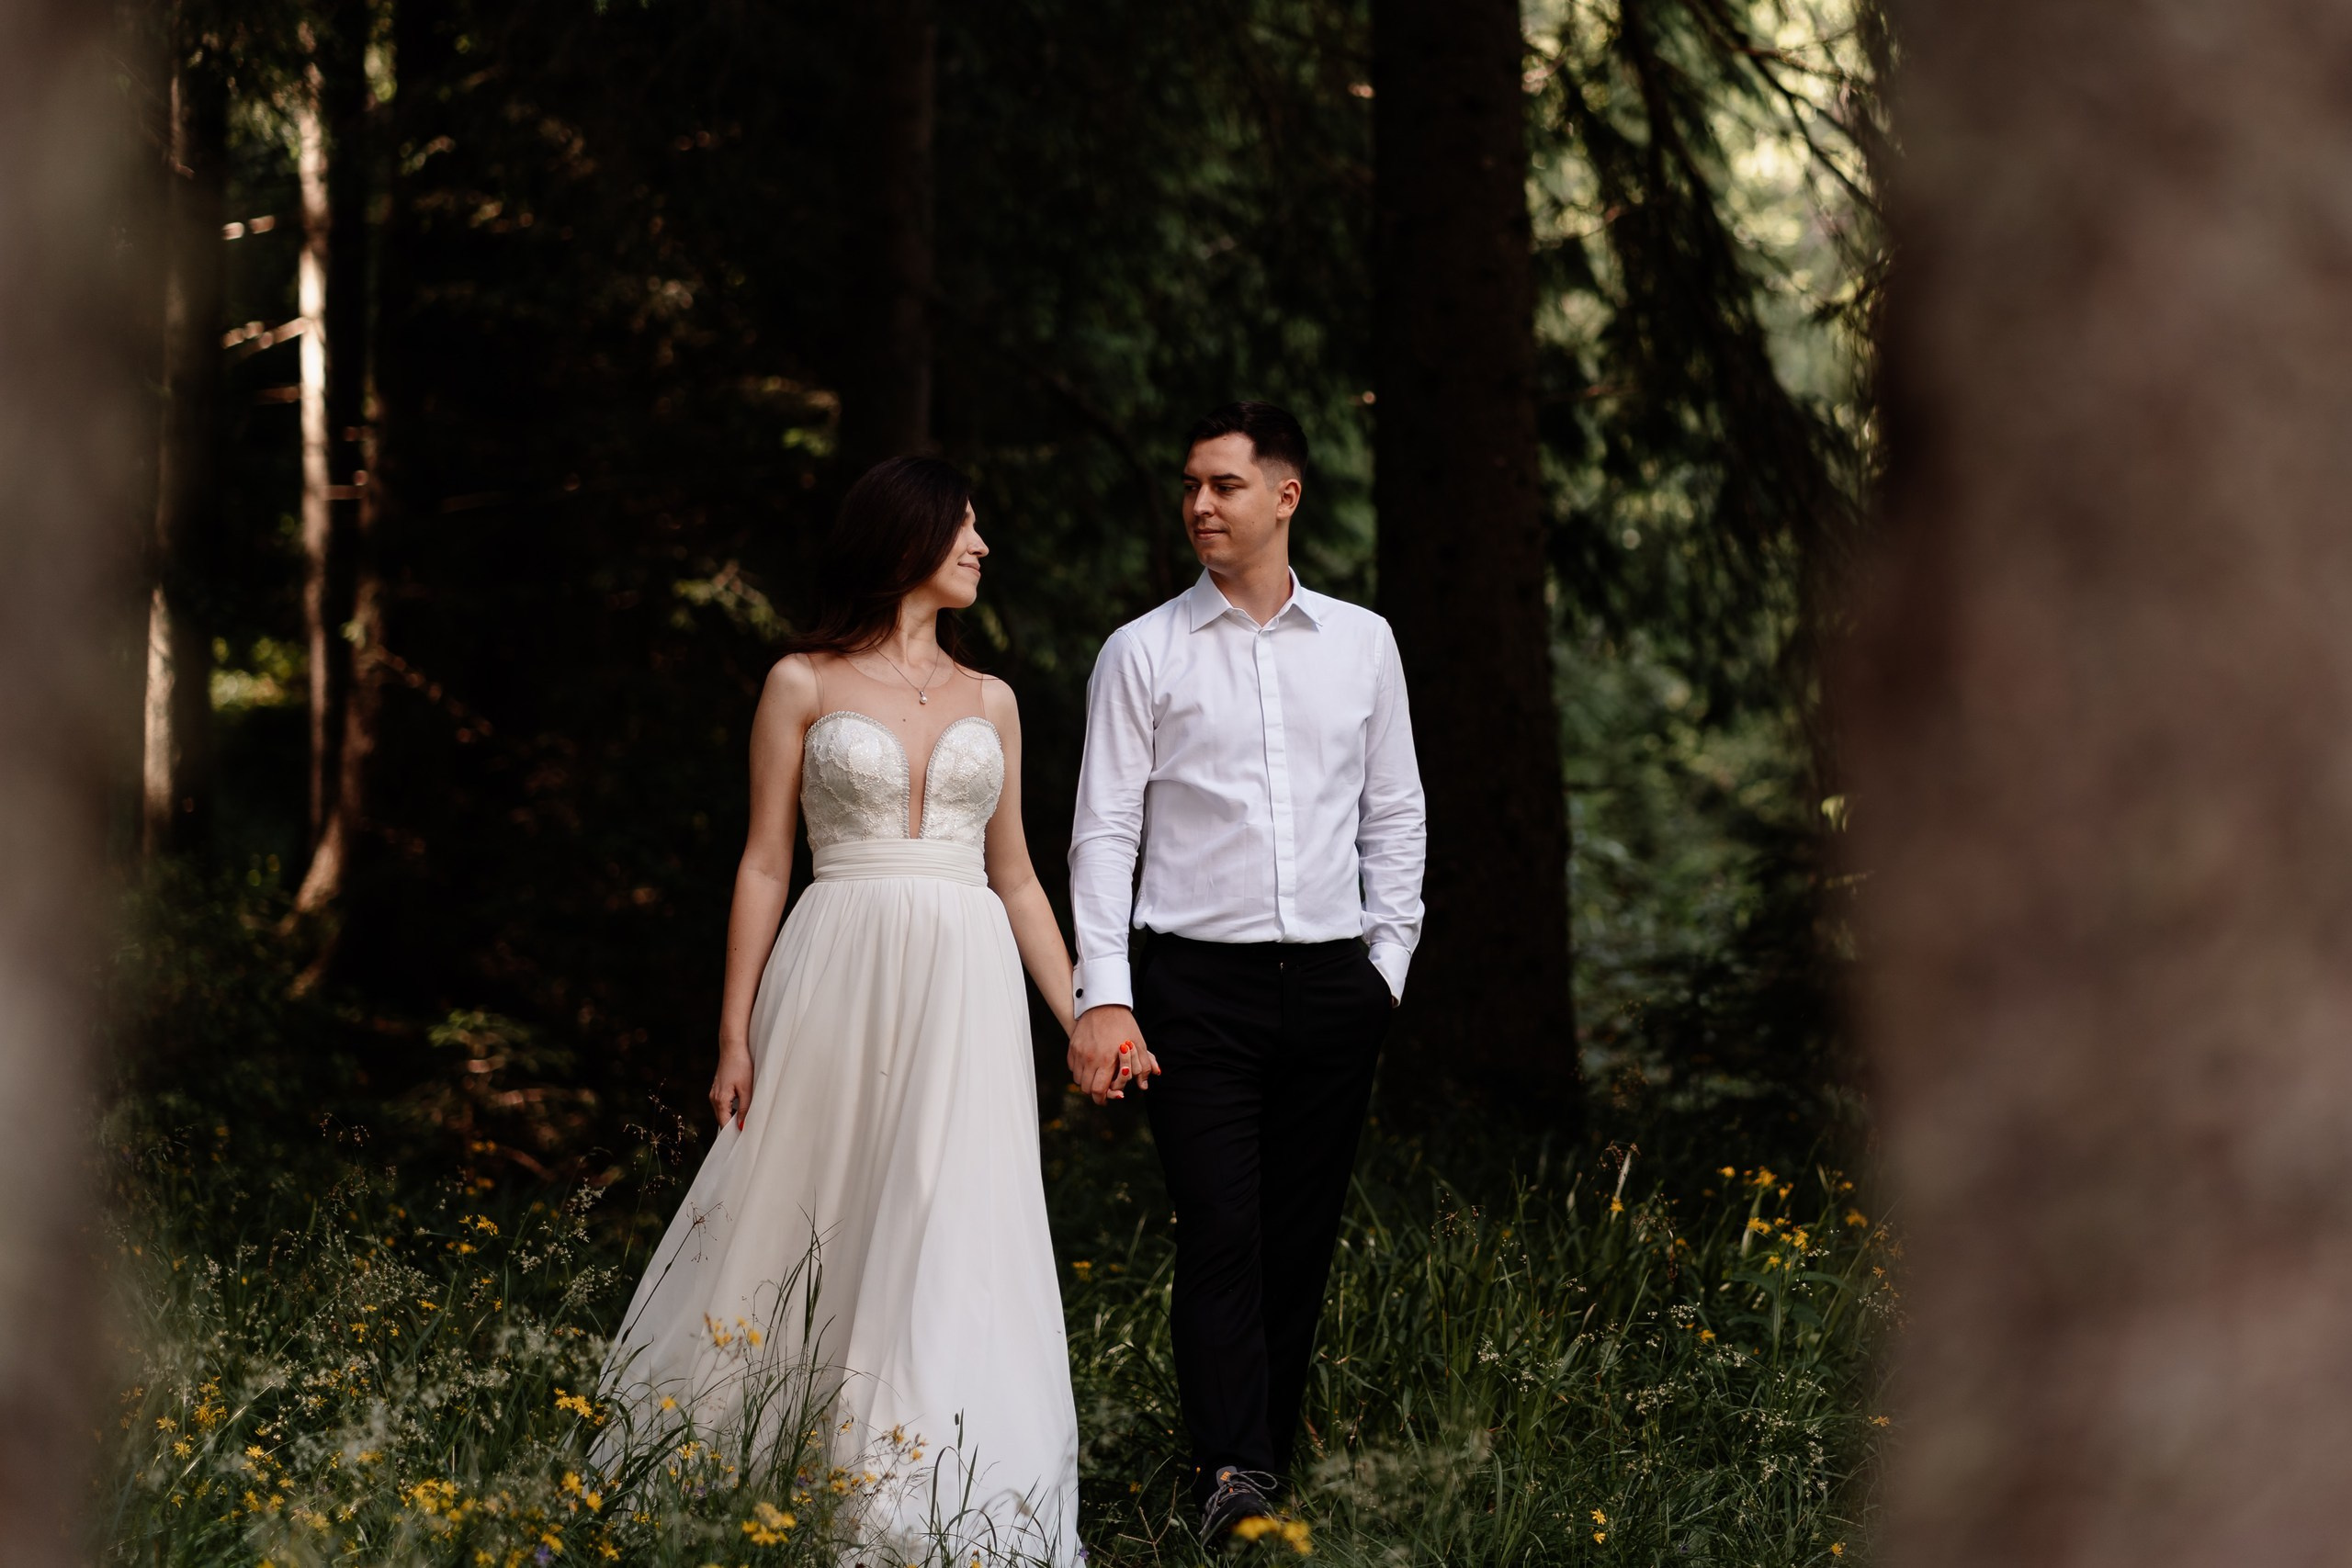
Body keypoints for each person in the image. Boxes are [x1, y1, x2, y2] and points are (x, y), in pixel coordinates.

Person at [594, 457, 1082, 1565]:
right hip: (836, 960)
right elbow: (765, 862)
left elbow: (1016, 879)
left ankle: (927, 1494)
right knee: (808, 1199)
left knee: (951, 1209)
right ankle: (754, 1467)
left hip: (965, 977)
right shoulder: (801, 683)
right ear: (907, 539)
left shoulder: (992, 701)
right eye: (966, 527)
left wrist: (1084, 1015)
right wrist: (732, 1030)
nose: (981, 546)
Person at [1066, 401, 1428, 1543]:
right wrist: (1105, 991)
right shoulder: (1143, 651)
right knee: (1220, 1225)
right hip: (1191, 992)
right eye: (1189, 487)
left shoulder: (1364, 642)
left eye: (1223, 485)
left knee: (1298, 1232)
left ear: (1286, 496)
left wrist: (1387, 967)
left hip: (1333, 986)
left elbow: (1395, 813)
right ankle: (1232, 1473)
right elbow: (1102, 833)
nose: (1200, 507)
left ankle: (1261, 1451)